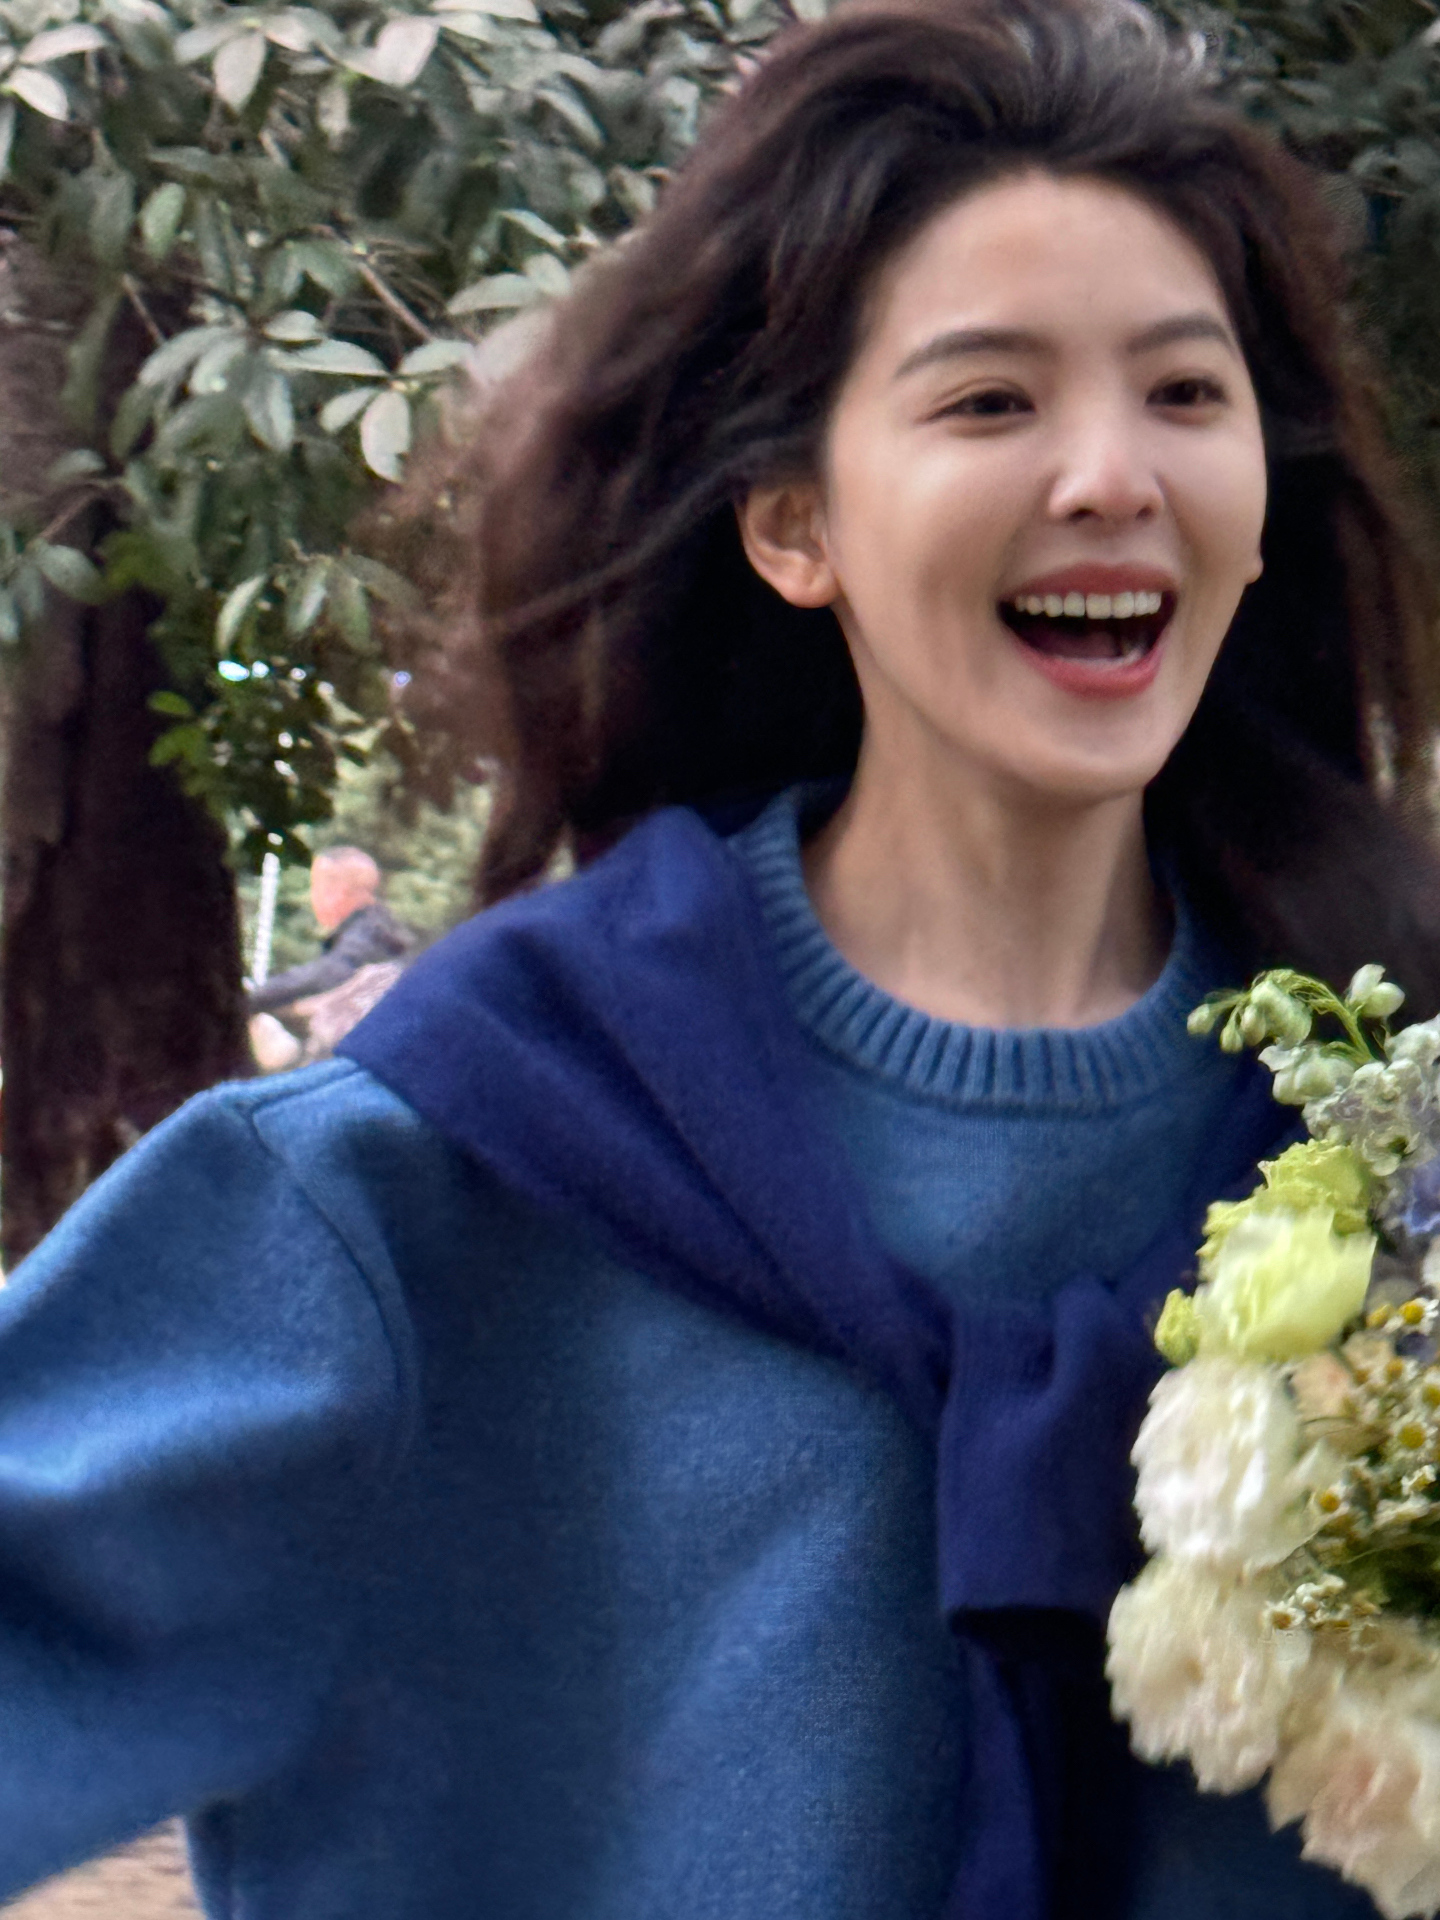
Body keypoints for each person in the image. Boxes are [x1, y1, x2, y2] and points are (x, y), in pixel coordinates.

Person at [1, 3, 1438, 1917]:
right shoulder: (430, 1188)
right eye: (989, 401)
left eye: (1186, 393)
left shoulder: (1390, 1148)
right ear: (791, 523)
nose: (1113, 474)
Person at [246, 846, 413, 1018]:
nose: (312, 897)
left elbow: (328, 974)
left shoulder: (370, 932)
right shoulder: (379, 927)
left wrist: (251, 998)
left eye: (316, 887)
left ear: (340, 892)